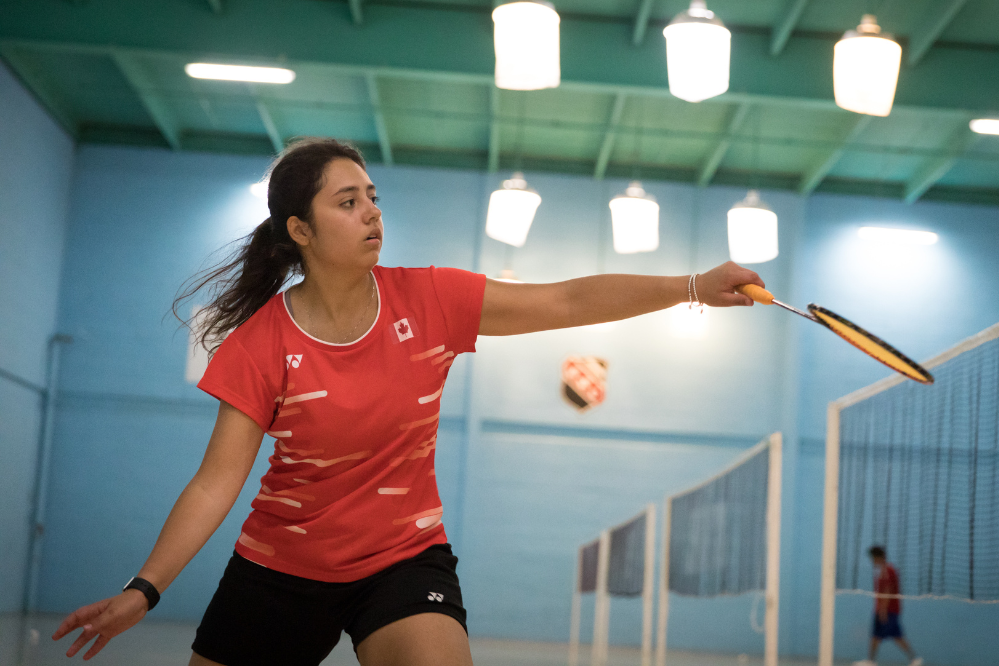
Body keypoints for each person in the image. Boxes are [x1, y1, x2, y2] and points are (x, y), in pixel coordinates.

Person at [51, 138, 765, 666]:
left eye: (372, 196)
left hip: (402, 559)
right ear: (300, 231)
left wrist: (693, 287)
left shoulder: (430, 300)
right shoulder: (261, 344)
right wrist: (144, 589)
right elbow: (215, 483)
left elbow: (566, 300)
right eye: (347, 202)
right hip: (282, 566)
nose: (371, 212)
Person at [854, 546, 922, 666]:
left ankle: (914, 659)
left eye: (873, 558)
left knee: (896, 636)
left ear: (878, 558)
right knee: (876, 636)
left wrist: (883, 611)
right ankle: (871, 661)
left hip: (889, 610)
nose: (872, 561)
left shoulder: (888, 570)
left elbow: (887, 590)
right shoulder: (883, 571)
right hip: (882, 609)